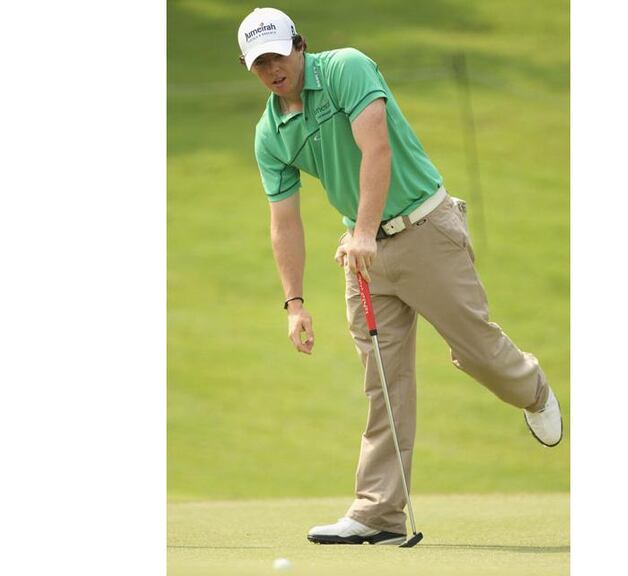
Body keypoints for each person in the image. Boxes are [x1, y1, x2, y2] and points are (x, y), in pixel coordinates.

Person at [237, 7, 563, 545]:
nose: (272, 69)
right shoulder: (269, 134)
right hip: (363, 256)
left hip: (424, 229)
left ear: (299, 45)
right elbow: (284, 221)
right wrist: (294, 304)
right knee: (383, 384)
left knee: (476, 351)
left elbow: (377, 148)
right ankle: (379, 513)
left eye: (278, 55)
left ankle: (531, 387)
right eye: (259, 63)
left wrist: (365, 231)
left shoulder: (346, 69)